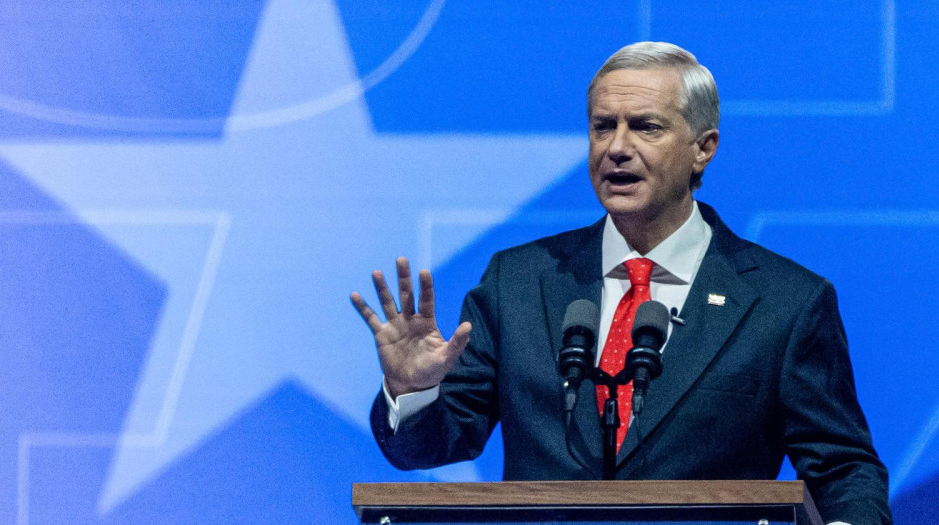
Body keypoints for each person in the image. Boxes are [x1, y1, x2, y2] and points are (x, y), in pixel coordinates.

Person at [351, 42, 891, 524]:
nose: (616, 147)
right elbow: (432, 445)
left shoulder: (785, 301)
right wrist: (413, 390)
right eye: (603, 125)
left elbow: (843, 467)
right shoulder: (516, 281)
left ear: (703, 147)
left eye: (646, 127)